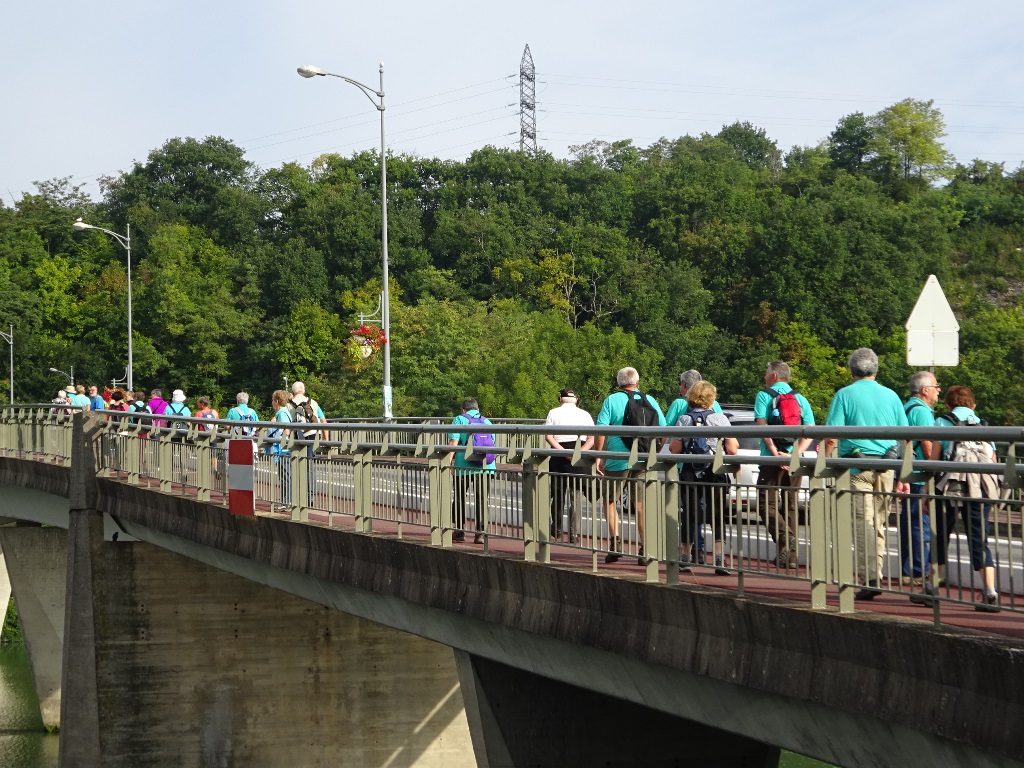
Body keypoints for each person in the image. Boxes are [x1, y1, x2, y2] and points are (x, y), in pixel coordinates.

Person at [822, 348, 908, 600]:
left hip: (857, 468)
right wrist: (903, 475)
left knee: (863, 523)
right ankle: (875, 573)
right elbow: (905, 436)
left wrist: (825, 464)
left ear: (851, 371)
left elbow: (831, 434)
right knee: (878, 523)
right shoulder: (891, 396)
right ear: (876, 370)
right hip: (887, 467)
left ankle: (870, 579)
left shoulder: (844, 395)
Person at [911, 385, 1000, 612]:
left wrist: (927, 495)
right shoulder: (982, 424)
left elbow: (935, 461)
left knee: (940, 536)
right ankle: (989, 590)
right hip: (978, 489)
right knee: (979, 540)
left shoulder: (942, 422)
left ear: (948, 405)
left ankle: (931, 588)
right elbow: (994, 460)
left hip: (948, 488)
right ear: (973, 405)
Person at [594, 367, 666, 564]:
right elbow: (664, 426)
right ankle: (645, 549)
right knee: (641, 505)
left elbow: (601, 429)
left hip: (618, 458)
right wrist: (656, 450)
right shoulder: (650, 400)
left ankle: (616, 544)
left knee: (610, 500)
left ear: (619, 383)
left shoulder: (612, 400)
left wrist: (598, 456)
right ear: (637, 381)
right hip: (643, 457)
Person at [670, 380, 738, 576]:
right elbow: (732, 448)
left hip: (690, 471)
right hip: (714, 470)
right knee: (717, 513)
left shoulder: (684, 419)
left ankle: (685, 557)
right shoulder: (720, 419)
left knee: (689, 513)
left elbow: (675, 448)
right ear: (711, 398)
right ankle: (718, 558)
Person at [754, 361, 815, 570]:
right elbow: (810, 429)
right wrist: (793, 456)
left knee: (765, 504)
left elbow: (761, 427)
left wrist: (774, 454)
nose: (764, 376)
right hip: (795, 460)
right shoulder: (800, 398)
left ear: (773, 376)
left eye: (765, 372)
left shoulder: (764, 395)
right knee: (790, 505)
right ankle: (791, 557)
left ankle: (785, 538)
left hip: (771, 459)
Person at [899, 372, 941, 585]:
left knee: (908, 522)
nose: (938, 390)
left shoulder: (906, 408)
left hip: (906, 471)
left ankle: (908, 569)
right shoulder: (923, 412)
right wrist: (933, 471)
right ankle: (918, 570)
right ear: (925, 390)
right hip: (918, 476)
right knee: (918, 523)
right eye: (936, 386)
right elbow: (927, 444)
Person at [544, 388, 595, 543]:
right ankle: (573, 533)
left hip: (559, 456)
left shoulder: (553, 412)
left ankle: (557, 528)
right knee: (576, 496)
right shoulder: (585, 414)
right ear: (576, 400)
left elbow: (548, 436)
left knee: (558, 493)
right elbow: (592, 438)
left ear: (560, 399)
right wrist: (578, 452)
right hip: (578, 454)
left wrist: (561, 451)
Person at [448, 398, 495, 543]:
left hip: (464, 464)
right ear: (478, 409)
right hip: (485, 465)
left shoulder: (459, 419)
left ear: (463, 410)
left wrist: (449, 462)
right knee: (482, 499)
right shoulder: (487, 422)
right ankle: (480, 533)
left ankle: (459, 531)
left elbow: (453, 443)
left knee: (460, 497)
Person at [269, 389, 293, 508]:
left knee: (285, 476)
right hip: (284, 448)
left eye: (273, 400)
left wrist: (273, 425)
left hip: (284, 448)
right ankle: (286, 500)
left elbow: (286, 430)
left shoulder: (282, 413)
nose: (272, 403)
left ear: (276, 401)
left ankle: (286, 501)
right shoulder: (283, 412)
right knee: (285, 475)